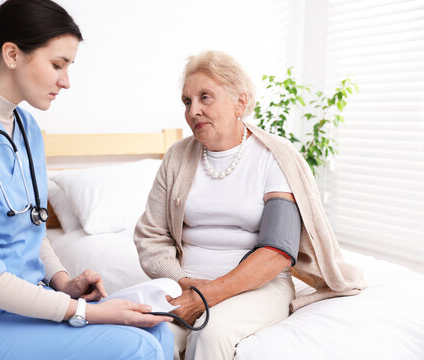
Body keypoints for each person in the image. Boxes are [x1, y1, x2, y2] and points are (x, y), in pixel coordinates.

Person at [0, 1, 173, 359]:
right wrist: (86, 313)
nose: (66, 81)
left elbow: (32, 225)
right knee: (136, 347)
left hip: (18, 311)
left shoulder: (25, 127)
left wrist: (65, 283)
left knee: (157, 327)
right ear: (12, 54)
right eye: (57, 64)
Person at [134, 50, 365, 360]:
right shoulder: (177, 157)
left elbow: (277, 253)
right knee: (146, 337)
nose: (193, 111)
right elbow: (151, 236)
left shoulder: (274, 156)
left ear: (240, 103)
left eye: (206, 97)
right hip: (185, 283)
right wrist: (185, 283)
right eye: (187, 102)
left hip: (260, 287)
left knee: (209, 332)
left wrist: (207, 295)